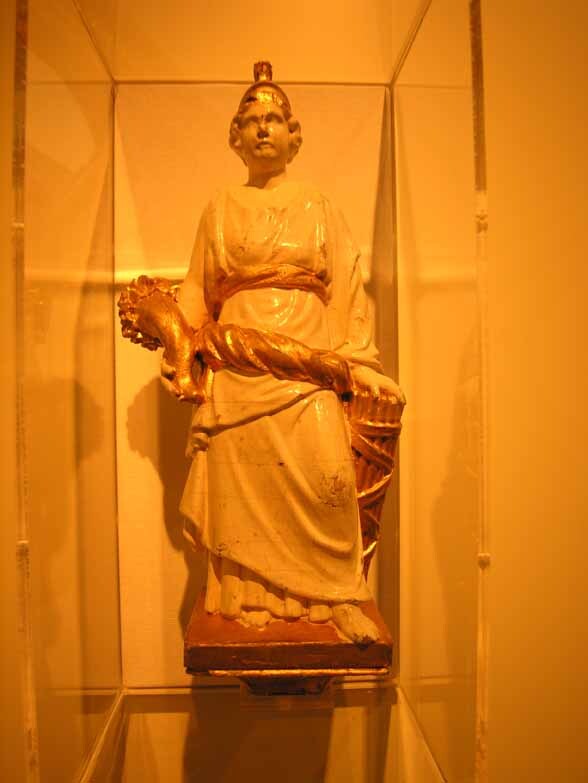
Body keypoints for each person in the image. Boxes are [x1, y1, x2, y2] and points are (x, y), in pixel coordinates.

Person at [164, 63, 403, 643]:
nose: (263, 129)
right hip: (239, 366)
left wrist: (359, 363)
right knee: (243, 485)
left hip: (307, 364)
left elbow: (347, 287)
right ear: (236, 137)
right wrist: (179, 348)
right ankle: (247, 597)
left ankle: (335, 595)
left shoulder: (318, 205)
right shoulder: (220, 207)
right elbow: (196, 289)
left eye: (274, 119)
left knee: (329, 477)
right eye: (252, 121)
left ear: (294, 135)